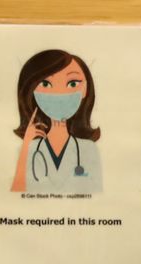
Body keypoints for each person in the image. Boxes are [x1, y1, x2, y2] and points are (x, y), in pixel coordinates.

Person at [10, 49, 103, 194]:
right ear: (32, 91)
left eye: (72, 84)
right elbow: (16, 194)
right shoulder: (28, 148)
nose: (59, 93)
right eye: (46, 84)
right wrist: (27, 144)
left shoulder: (88, 149)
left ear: (85, 89)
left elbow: (98, 199)